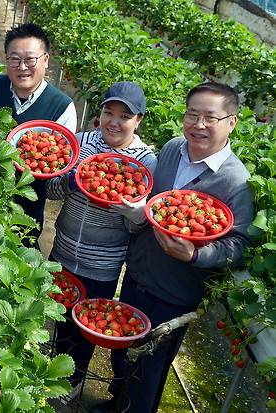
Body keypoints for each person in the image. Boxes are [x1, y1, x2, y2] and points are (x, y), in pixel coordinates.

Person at [94, 82, 255, 413]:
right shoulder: (171, 150)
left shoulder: (235, 181)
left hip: (175, 292)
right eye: (192, 114)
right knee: (123, 350)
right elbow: (154, 203)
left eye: (210, 117)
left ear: (231, 122)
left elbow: (238, 244)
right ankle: (116, 403)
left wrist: (196, 254)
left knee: (150, 370)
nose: (198, 125)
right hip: (138, 273)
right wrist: (137, 214)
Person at [46, 82, 157, 395]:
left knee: (86, 324)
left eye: (125, 116)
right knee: (57, 314)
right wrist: (69, 180)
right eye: (109, 112)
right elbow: (52, 190)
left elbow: (138, 228)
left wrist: (133, 212)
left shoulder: (145, 162)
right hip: (63, 250)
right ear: (100, 114)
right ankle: (54, 366)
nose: (114, 121)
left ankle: (72, 380)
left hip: (103, 264)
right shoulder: (81, 143)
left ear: (139, 121)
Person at [0, 23, 77, 246]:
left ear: (46, 60)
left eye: (30, 59)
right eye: (14, 59)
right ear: (5, 59)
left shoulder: (62, 107)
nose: (22, 67)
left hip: (27, 207)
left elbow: (57, 165)